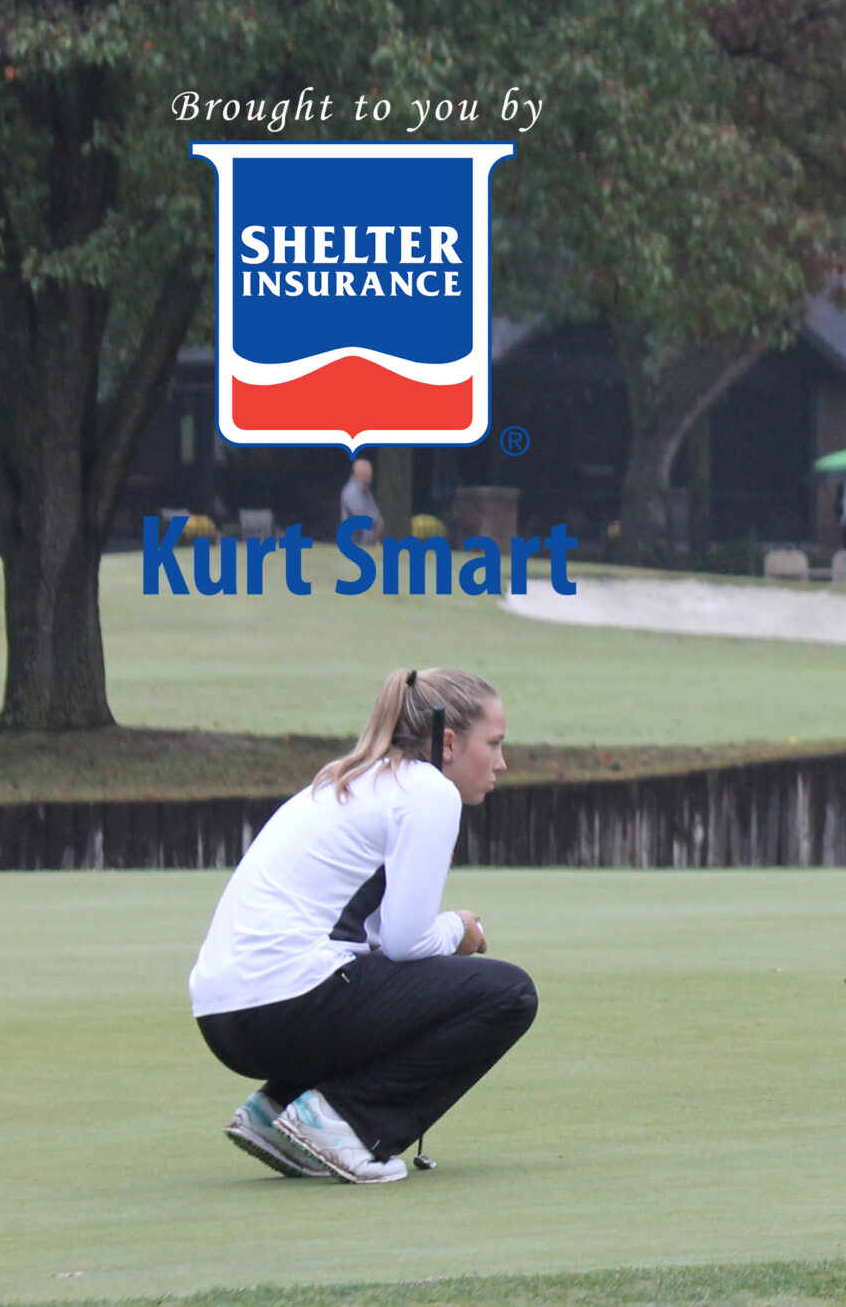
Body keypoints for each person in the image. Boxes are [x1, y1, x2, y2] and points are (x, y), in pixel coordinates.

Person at [188, 668, 535, 1184]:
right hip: (283, 1005)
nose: (501, 762)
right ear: (448, 743)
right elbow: (407, 941)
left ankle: (278, 1110)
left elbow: (368, 941)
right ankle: (347, 1124)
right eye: (494, 743)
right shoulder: (427, 789)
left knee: (385, 980)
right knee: (509, 994)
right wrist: (457, 930)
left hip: (224, 1019)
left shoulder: (347, 780)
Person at [339, 458, 382, 547]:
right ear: (359, 473)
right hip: (354, 543)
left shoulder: (366, 492)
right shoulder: (351, 491)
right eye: (368, 472)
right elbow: (361, 516)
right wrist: (375, 521)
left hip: (367, 543)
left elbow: (376, 516)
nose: (371, 474)